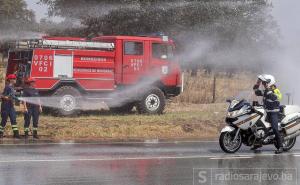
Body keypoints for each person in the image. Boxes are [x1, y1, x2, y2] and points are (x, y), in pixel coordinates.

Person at [253, 74, 283, 154]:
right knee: (257, 125)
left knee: (274, 128)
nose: (263, 84)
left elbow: (278, 97)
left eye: (264, 83)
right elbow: (256, 92)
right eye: (263, 83)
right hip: (266, 112)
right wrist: (258, 83)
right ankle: (258, 143)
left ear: (269, 83)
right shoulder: (266, 90)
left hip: (274, 112)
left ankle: (280, 146)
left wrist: (270, 92)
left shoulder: (275, 90)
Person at [0, 74, 20, 138]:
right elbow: (2, 96)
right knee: (4, 120)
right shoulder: (7, 87)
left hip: (11, 106)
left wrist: (16, 98)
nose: (15, 80)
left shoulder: (12, 87)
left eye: (15, 78)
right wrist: (7, 97)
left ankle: (16, 134)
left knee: (13, 119)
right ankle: (0, 133)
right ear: (10, 80)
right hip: (5, 106)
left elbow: (12, 96)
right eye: (14, 79)